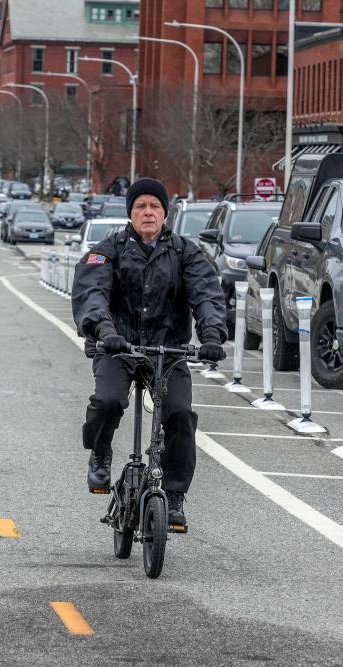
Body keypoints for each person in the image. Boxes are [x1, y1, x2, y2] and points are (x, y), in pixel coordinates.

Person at [71, 177, 227, 532]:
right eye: (141, 206)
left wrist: (213, 334)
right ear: (130, 212)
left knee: (180, 415)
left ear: (165, 213)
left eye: (155, 206)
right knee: (108, 401)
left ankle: (173, 495)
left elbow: (206, 293)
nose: (148, 212)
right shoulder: (108, 250)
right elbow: (91, 293)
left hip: (168, 351)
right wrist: (106, 332)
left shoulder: (185, 252)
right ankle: (100, 450)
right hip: (119, 347)